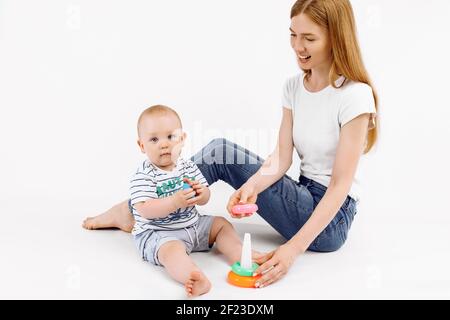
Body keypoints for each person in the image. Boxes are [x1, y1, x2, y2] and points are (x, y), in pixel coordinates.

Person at [83, 0, 378, 289]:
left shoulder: (355, 96)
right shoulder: (293, 87)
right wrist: (251, 187)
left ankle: (135, 206)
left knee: (218, 153)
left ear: (335, 38)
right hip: (303, 196)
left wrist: (293, 250)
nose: (297, 47)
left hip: (331, 220)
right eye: (293, 34)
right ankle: (144, 203)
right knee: (220, 151)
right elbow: (281, 159)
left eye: (309, 38)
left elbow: (340, 185)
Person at [117, 105, 260, 297]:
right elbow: (144, 209)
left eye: (171, 137)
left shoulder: (187, 166)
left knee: (221, 224)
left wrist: (203, 194)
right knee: (172, 253)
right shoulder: (143, 175)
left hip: (192, 224)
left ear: (182, 139)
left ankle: (238, 253)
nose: (164, 144)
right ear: (142, 146)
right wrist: (174, 202)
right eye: (154, 139)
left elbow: (205, 196)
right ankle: (194, 276)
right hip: (160, 233)